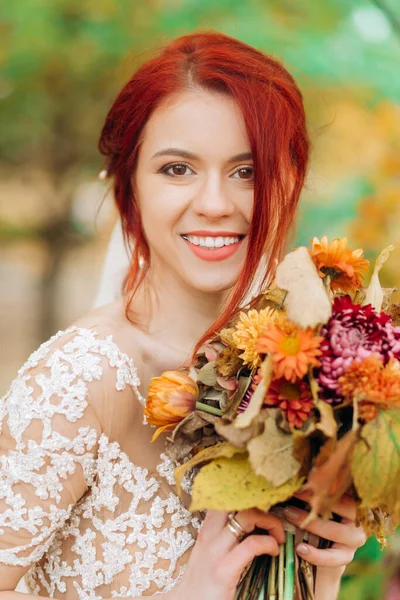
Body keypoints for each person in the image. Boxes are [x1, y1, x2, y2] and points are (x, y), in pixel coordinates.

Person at [0, 32, 366, 600]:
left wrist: (322, 568)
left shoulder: (299, 375)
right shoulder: (79, 382)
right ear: (130, 187)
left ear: (292, 179)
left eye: (247, 171)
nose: (216, 202)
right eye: (177, 169)